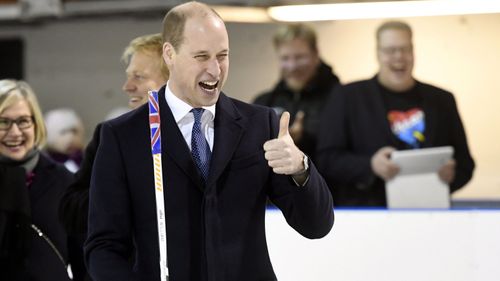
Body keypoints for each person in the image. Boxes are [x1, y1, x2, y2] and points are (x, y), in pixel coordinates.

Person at [84, 2, 334, 280]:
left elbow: (317, 225)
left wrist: (301, 168)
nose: (215, 70)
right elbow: (104, 247)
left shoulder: (260, 124)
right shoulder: (122, 136)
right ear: (170, 54)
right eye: (201, 56)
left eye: (222, 55)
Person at [316, 20, 475, 207]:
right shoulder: (347, 97)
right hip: (367, 215)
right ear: (378, 54)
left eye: (405, 49)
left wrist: (453, 175)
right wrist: (370, 165)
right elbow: (326, 159)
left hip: (430, 212)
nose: (399, 56)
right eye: (390, 50)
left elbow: (465, 163)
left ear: (413, 52)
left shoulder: (442, 100)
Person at [58, 33, 169, 280]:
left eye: (138, 77)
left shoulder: (199, 137)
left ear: (172, 80)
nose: (127, 86)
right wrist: (118, 199)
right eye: (129, 75)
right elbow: (70, 209)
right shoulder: (110, 136)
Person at [0, 79, 82, 280]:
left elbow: (86, 261)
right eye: (3, 122)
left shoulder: (66, 182)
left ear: (36, 124)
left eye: (23, 121)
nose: (15, 132)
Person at [253, 23, 340, 159]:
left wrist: (303, 140)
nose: (292, 66)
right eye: (285, 58)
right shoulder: (263, 102)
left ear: (316, 54)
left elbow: (340, 157)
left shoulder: (340, 99)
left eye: (300, 57)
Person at [44, 108, 85, 173]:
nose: (70, 138)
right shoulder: (43, 164)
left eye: (74, 131)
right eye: (63, 132)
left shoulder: (87, 160)